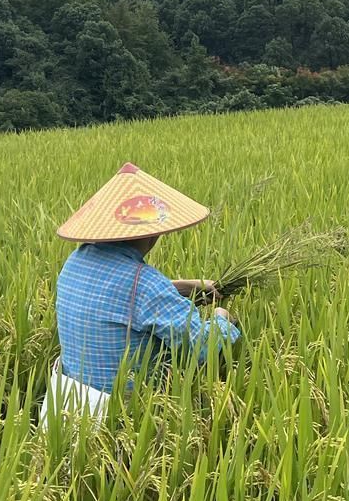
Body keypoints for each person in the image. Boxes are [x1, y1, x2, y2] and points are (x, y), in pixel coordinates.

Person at [41, 162, 241, 429]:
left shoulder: (75, 263)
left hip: (66, 408)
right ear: (151, 233)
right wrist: (221, 318)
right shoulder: (144, 285)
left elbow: (114, 294)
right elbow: (204, 347)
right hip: (123, 419)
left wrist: (179, 286)